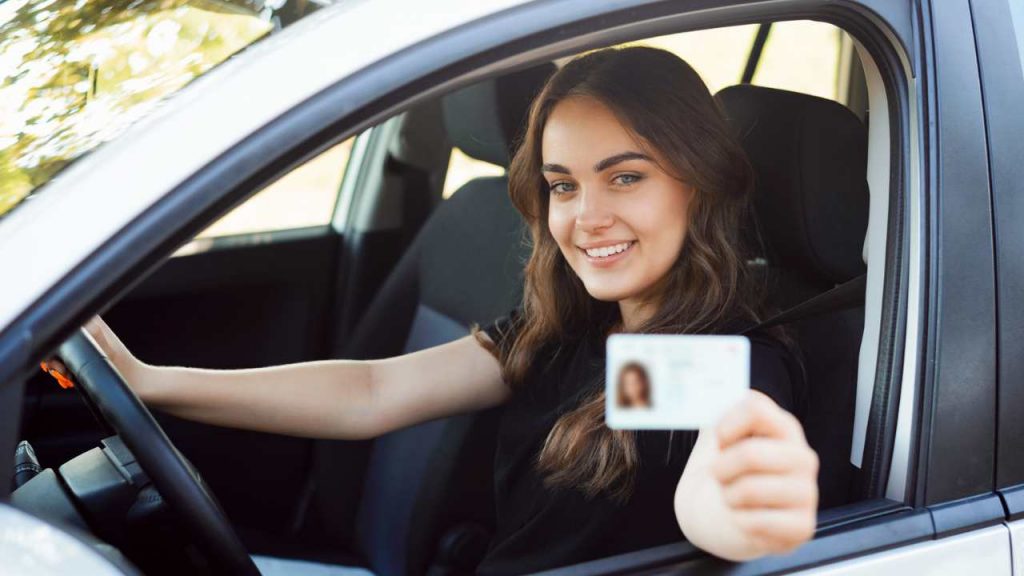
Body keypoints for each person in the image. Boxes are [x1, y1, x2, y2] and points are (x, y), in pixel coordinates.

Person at [69, 46, 819, 574]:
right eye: (563, 185)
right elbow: (373, 392)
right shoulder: (579, 330)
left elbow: (717, 493)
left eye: (624, 178)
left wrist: (746, 508)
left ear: (699, 181)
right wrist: (149, 381)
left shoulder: (717, 360)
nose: (586, 216)